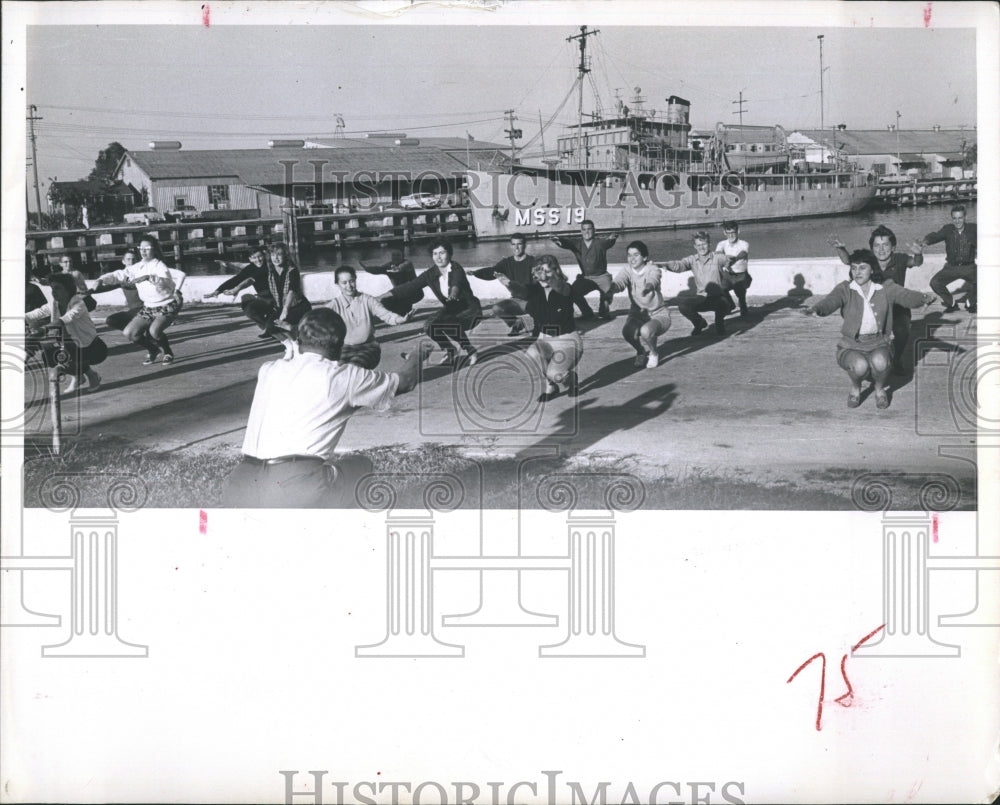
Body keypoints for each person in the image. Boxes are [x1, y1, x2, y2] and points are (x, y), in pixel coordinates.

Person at [220, 307, 426, 508]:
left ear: (300, 341)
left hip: (240, 484)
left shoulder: (269, 369)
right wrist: (418, 354)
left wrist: (293, 341)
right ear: (340, 345)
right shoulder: (344, 376)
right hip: (294, 485)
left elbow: (296, 359)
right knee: (361, 465)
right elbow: (406, 381)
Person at [804, 249, 934, 410]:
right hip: (851, 345)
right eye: (854, 268)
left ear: (872, 268)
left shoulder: (885, 287)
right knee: (859, 366)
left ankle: (879, 390)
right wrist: (817, 309)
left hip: (879, 342)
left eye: (862, 267)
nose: (857, 272)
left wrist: (923, 298)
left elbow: (905, 295)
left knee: (881, 362)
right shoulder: (845, 288)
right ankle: (856, 388)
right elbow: (830, 301)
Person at [828, 225, 924, 374]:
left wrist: (918, 254)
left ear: (893, 247)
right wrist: (841, 249)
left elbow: (917, 262)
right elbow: (848, 261)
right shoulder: (869, 260)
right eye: (877, 246)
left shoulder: (900, 259)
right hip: (873, 307)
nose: (881, 249)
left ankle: (895, 359)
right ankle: (866, 361)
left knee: (903, 331)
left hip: (898, 307)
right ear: (872, 248)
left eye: (885, 245)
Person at [89, 236, 186, 365]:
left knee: (154, 331)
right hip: (148, 307)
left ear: (154, 250)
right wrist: (101, 280)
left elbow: (166, 283)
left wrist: (149, 277)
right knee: (129, 333)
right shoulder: (137, 267)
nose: (143, 251)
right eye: (141, 248)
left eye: (147, 248)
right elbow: (119, 275)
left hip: (167, 304)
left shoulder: (160, 266)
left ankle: (168, 352)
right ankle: (153, 350)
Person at [25, 272, 107, 394]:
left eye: (57, 288)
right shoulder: (54, 304)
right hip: (72, 346)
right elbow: (36, 313)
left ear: (68, 289)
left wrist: (42, 329)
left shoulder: (78, 303)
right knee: (48, 355)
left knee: (62, 358)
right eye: (52, 288)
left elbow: (64, 320)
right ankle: (79, 376)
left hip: (93, 348)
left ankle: (89, 376)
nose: (53, 292)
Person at [406, 239, 482, 366]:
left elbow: (456, 283)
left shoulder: (456, 268)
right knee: (429, 326)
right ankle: (450, 349)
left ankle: (470, 350)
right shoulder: (430, 274)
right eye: (435, 254)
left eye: (442, 253)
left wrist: (453, 294)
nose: (438, 257)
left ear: (450, 254)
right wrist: (384, 297)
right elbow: (410, 286)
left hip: (471, 311)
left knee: (447, 321)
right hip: (452, 310)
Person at [324, 266, 411, 369]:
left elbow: (386, 315)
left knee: (354, 369)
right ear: (337, 285)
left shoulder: (367, 300)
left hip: (368, 347)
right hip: (344, 349)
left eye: (351, 281)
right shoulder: (333, 306)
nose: (349, 286)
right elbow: (317, 323)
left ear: (355, 280)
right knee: (337, 372)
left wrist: (400, 319)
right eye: (344, 283)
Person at [525, 255, 582, 402]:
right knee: (532, 354)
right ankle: (550, 387)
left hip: (568, 341)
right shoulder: (537, 291)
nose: (543, 276)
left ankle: (571, 380)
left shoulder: (565, 288)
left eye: (547, 271)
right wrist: (508, 283)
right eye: (540, 272)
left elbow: (558, 286)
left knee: (555, 373)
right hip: (545, 340)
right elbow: (521, 292)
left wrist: (548, 278)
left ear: (556, 271)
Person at [656, 231, 734, 336]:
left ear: (709, 244)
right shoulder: (692, 260)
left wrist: (729, 261)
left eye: (704, 244)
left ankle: (719, 323)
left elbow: (728, 259)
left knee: (724, 304)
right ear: (695, 246)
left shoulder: (717, 257)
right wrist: (665, 265)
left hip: (718, 298)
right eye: (699, 245)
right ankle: (699, 323)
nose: (702, 247)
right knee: (684, 306)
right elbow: (679, 265)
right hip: (702, 298)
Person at [242, 242, 313, 359]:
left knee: (283, 324)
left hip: (298, 306)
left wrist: (285, 309)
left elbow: (292, 290)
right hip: (281, 306)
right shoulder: (269, 269)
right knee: (270, 327)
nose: (276, 258)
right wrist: (236, 289)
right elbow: (251, 278)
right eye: (273, 255)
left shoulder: (292, 270)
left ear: (285, 256)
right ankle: (289, 346)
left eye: (279, 254)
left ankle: (295, 344)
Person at [611, 241, 672, 369]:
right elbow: (619, 282)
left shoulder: (652, 268)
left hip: (658, 314)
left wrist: (648, 287)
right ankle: (640, 351)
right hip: (638, 314)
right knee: (627, 332)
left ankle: (654, 353)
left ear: (644, 257)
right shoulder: (626, 270)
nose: (632, 259)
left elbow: (653, 279)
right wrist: (611, 288)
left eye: (636, 255)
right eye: (629, 255)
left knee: (646, 331)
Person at [551, 220, 620, 320]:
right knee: (572, 292)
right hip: (586, 278)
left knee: (608, 293)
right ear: (581, 231)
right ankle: (587, 313)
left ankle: (603, 311)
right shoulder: (576, 244)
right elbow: (566, 242)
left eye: (589, 229)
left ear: (594, 230)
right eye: (584, 229)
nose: (587, 232)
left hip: (602, 277)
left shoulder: (600, 243)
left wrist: (613, 237)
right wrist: (558, 240)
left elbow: (609, 241)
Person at [470, 233, 537, 336]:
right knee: (497, 308)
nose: (516, 247)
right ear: (510, 246)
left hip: (533, 300)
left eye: (519, 244)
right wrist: (476, 273)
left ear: (525, 245)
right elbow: (492, 271)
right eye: (514, 244)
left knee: (540, 323)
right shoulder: (507, 262)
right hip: (516, 300)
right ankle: (517, 324)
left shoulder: (533, 262)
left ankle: (540, 325)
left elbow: (538, 284)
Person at [203, 246, 274, 339]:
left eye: (260, 256)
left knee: (253, 305)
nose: (258, 260)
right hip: (263, 297)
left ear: (264, 256)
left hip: (274, 297)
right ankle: (270, 328)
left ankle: (273, 329)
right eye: (254, 257)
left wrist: (237, 289)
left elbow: (251, 280)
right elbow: (236, 279)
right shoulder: (250, 268)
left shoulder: (269, 266)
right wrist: (218, 291)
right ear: (250, 259)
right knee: (246, 300)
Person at [920, 205, 977, 313]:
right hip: (951, 268)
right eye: (954, 218)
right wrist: (924, 242)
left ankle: (970, 303)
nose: (957, 221)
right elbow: (935, 236)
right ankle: (951, 303)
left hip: (969, 268)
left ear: (965, 217)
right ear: (952, 219)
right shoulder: (948, 229)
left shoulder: (973, 228)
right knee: (935, 282)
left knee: (986, 280)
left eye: (960, 218)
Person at [360, 249, 422, 317]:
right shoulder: (388, 265)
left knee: (401, 305)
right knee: (385, 302)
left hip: (415, 293)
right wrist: (366, 268)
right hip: (399, 294)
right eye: (393, 255)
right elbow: (378, 269)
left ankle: (405, 309)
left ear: (403, 257)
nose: (396, 257)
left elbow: (404, 266)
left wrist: (398, 268)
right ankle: (405, 310)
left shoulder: (408, 263)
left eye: (398, 255)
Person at [716, 221, 752, 318]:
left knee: (740, 294)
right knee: (719, 289)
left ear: (738, 231)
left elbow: (743, 253)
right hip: (727, 275)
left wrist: (734, 259)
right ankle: (730, 304)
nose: (731, 235)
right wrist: (725, 258)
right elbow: (718, 253)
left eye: (733, 232)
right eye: (729, 233)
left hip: (741, 276)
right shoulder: (722, 244)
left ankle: (743, 307)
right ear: (725, 233)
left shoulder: (744, 243)